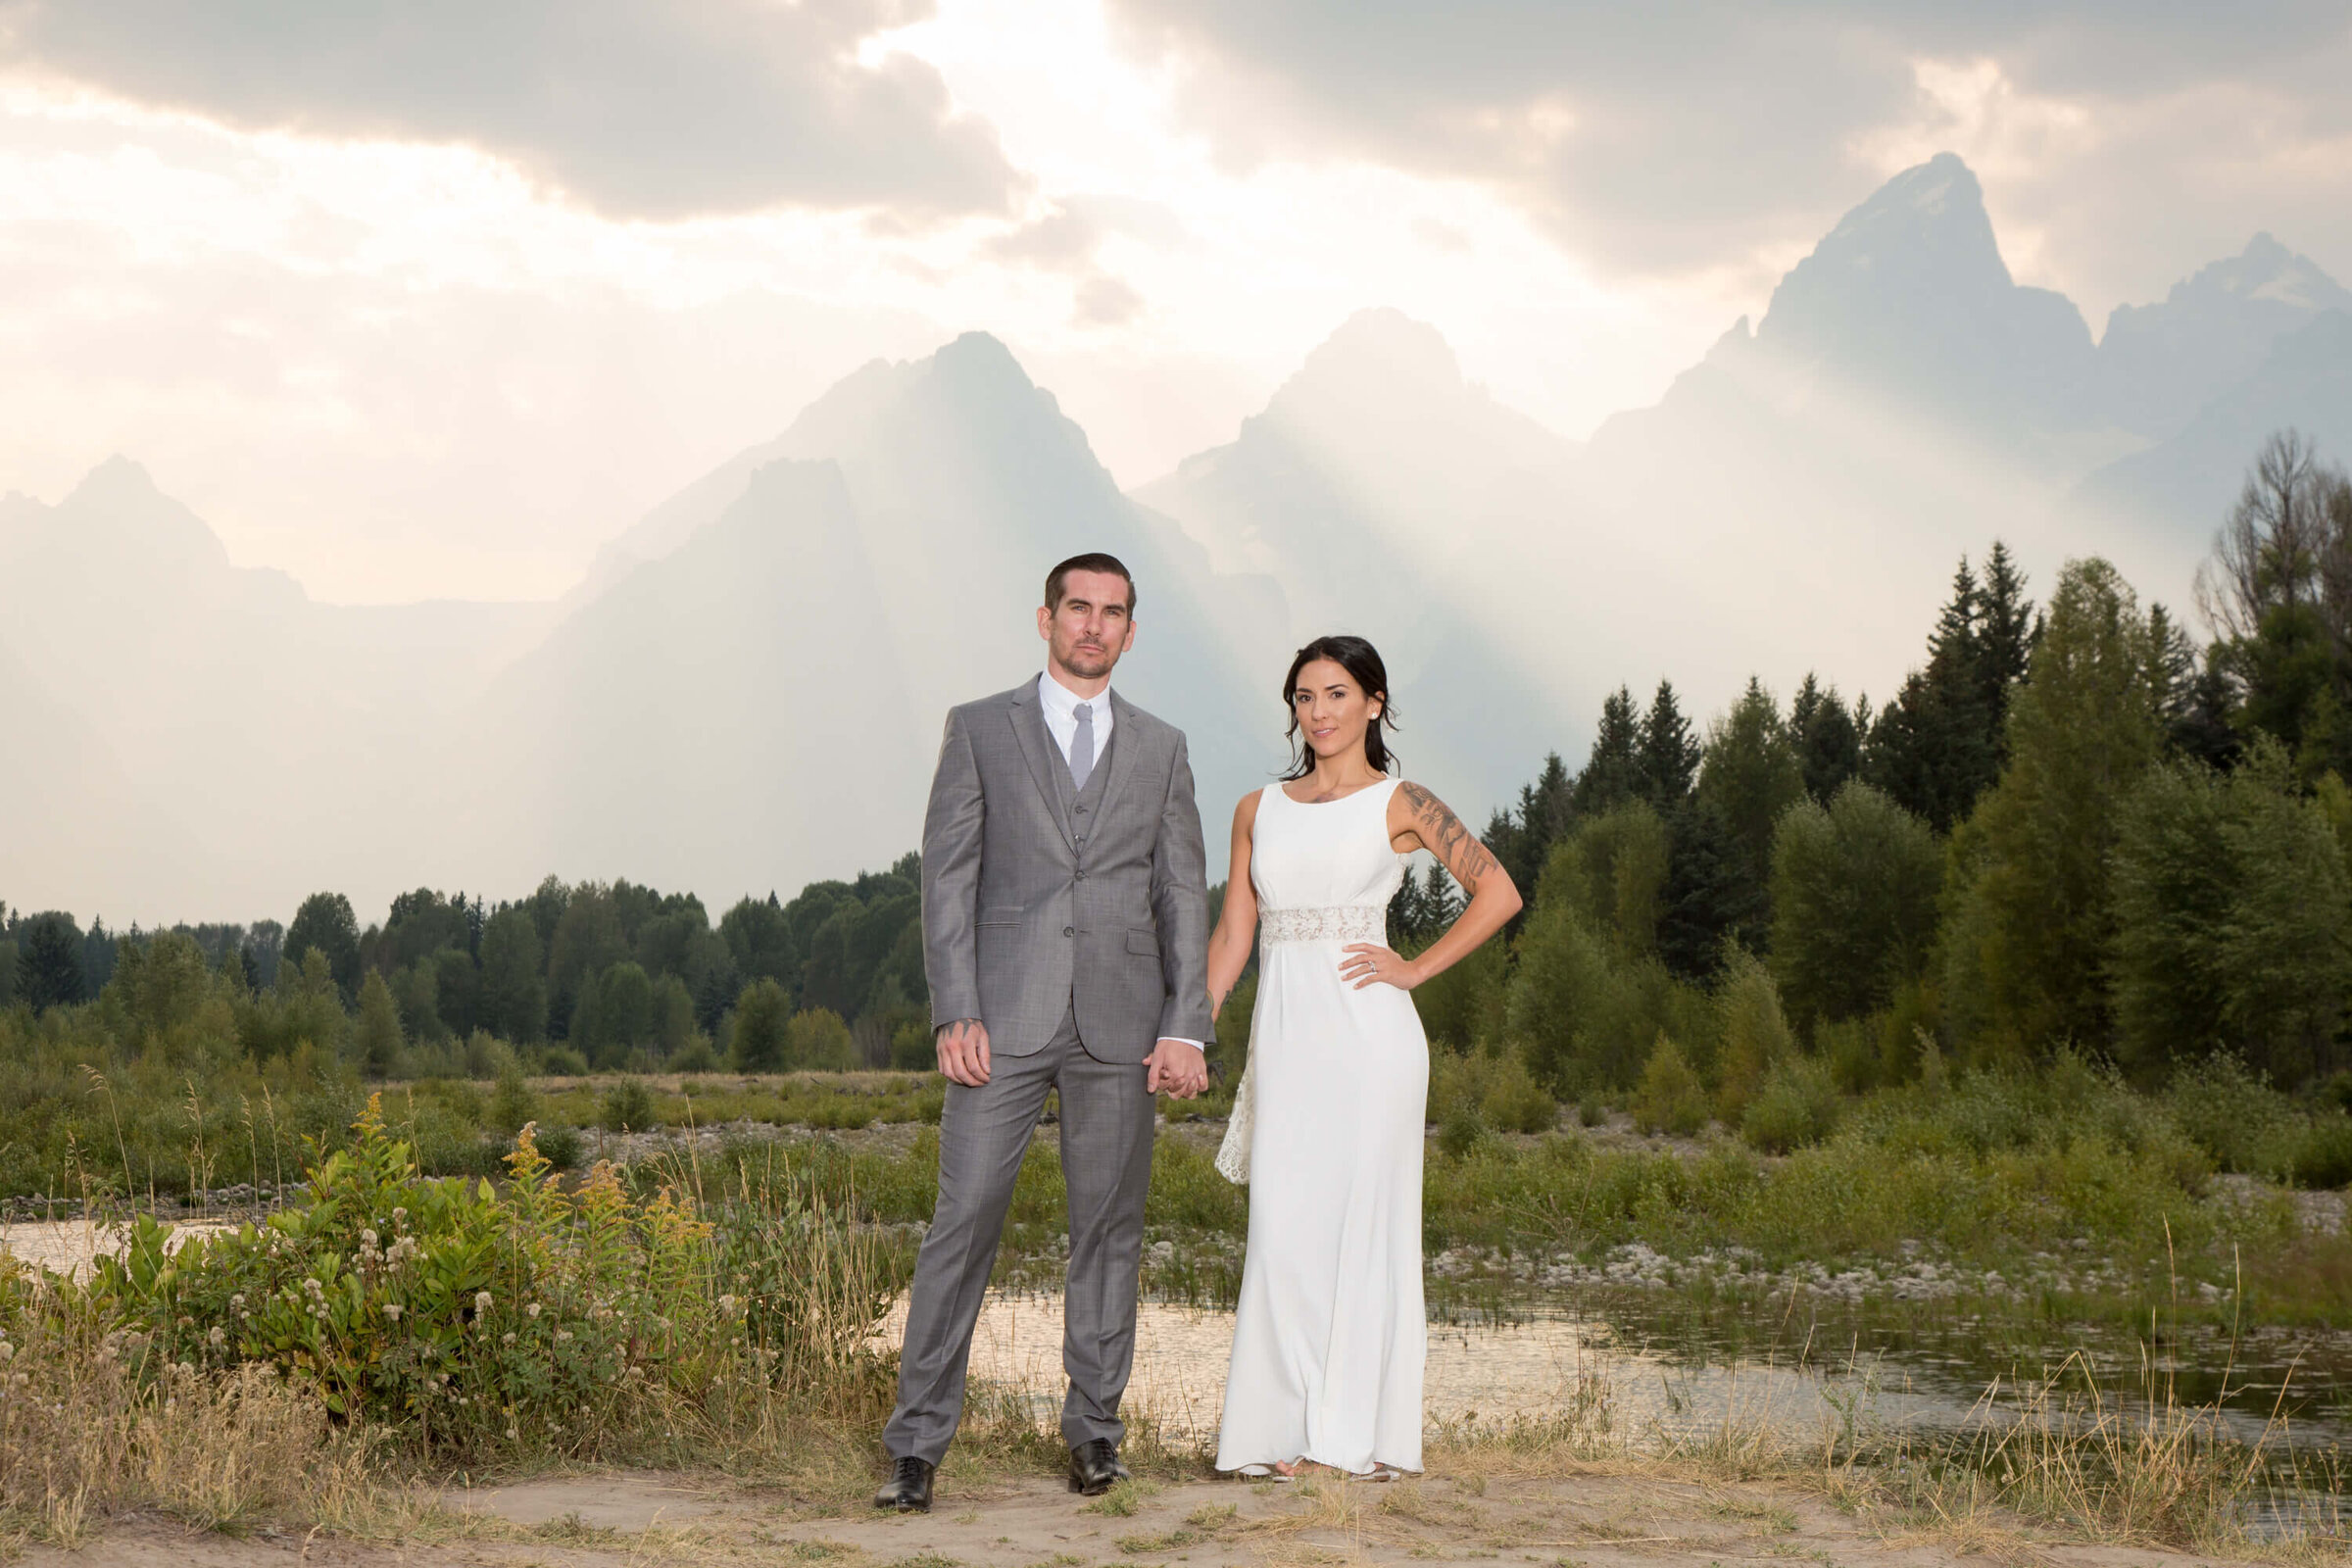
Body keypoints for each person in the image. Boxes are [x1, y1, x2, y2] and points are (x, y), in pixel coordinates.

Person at [874, 553, 1216, 1514]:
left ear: (1130, 631)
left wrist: (1186, 1023)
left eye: (1113, 613)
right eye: (1079, 608)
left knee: (1108, 1235)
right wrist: (956, 1008)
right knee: (962, 1224)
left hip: (1123, 1024)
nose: (1094, 626)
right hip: (1001, 1021)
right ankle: (916, 1446)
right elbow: (946, 878)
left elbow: (1182, 894)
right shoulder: (980, 728)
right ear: (1046, 617)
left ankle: (1096, 1435)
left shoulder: (1163, 747)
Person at [1208, 634, 1521, 1479]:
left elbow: (1500, 890)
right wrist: (1191, 1021)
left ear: (1374, 703)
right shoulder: (1255, 810)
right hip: (1285, 1036)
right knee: (1280, 1228)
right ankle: (1276, 1433)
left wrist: (1415, 967)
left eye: (1337, 694)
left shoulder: (1405, 801)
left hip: (1370, 1039)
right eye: (1305, 698)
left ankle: (1345, 1440)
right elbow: (1237, 931)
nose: (1319, 712)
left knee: (1360, 1232)